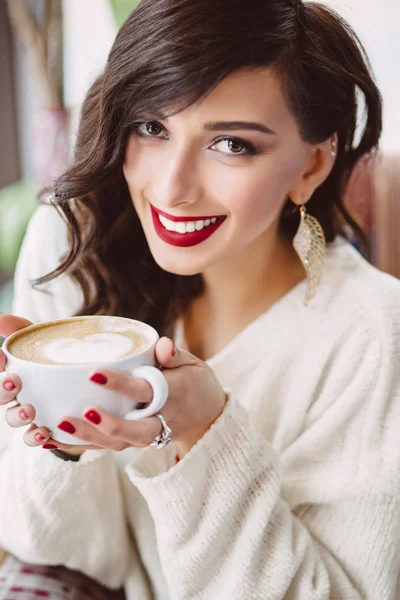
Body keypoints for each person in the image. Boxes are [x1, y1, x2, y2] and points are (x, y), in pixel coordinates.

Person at [0, 0, 399, 598]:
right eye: (152, 128)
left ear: (312, 166)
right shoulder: (74, 241)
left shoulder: (373, 337)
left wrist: (205, 432)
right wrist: (62, 442)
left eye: (233, 144)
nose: (172, 187)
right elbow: (50, 549)